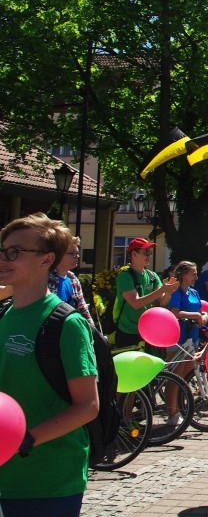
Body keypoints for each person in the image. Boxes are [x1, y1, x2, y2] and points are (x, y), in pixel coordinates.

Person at [0, 214, 99, 517]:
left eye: (14, 252)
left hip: (48, 481)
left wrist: (25, 439)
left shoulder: (66, 323)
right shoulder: (4, 315)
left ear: (46, 260)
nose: (4, 258)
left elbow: (87, 406)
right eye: (2, 251)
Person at [114, 238, 176, 349]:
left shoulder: (152, 276)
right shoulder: (125, 277)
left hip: (149, 331)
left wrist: (167, 292)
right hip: (128, 332)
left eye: (150, 252)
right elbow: (135, 303)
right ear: (134, 254)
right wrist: (162, 290)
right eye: (145, 252)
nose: (149, 256)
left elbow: (162, 303)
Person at [165, 261, 206, 423]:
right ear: (183, 275)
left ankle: (182, 409)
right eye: (193, 274)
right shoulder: (176, 292)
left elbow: (201, 312)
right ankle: (172, 414)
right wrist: (194, 316)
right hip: (178, 338)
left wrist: (202, 317)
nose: (196, 277)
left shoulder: (194, 292)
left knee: (186, 377)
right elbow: (174, 312)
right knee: (175, 377)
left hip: (192, 338)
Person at [48, 236, 95, 328]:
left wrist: (92, 331)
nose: (77, 256)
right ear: (59, 255)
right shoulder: (46, 279)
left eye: (78, 253)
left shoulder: (73, 279)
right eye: (73, 253)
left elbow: (83, 309)